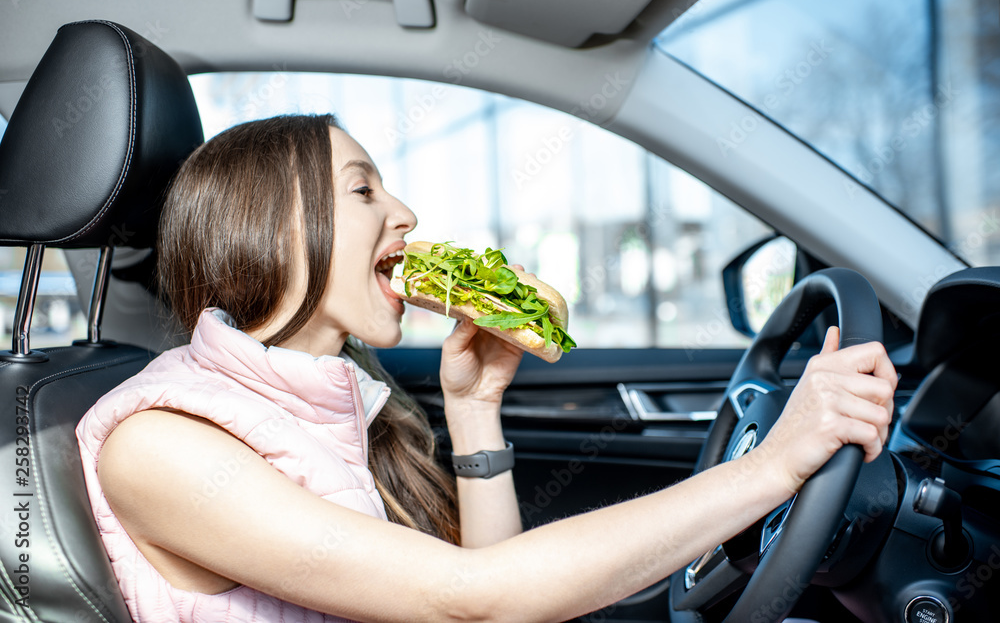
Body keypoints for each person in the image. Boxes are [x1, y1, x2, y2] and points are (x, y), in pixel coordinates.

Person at [76, 114, 896, 623]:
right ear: (268, 228)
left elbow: (482, 597)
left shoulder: (324, 405)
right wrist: (774, 467)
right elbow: (474, 600)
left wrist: (474, 411)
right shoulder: (158, 443)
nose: (407, 214)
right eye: (363, 190)